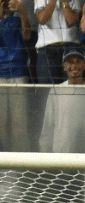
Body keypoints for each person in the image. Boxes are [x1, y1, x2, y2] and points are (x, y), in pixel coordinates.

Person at [40, 48, 85, 153]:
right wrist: (45, 155)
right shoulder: (56, 91)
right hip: (60, 154)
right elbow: (48, 125)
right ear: (64, 67)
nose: (74, 66)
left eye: (78, 62)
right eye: (70, 62)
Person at [0, 0, 31, 153]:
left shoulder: (18, 18)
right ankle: (4, 159)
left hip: (18, 71)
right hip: (0, 74)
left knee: (19, 120)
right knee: (1, 122)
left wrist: (23, 11)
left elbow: (27, 35)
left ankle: (21, 163)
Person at [35, 0, 84, 86]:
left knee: (71, 90)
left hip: (71, 48)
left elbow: (71, 21)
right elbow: (42, 19)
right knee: (47, 91)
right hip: (47, 49)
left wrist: (64, 3)